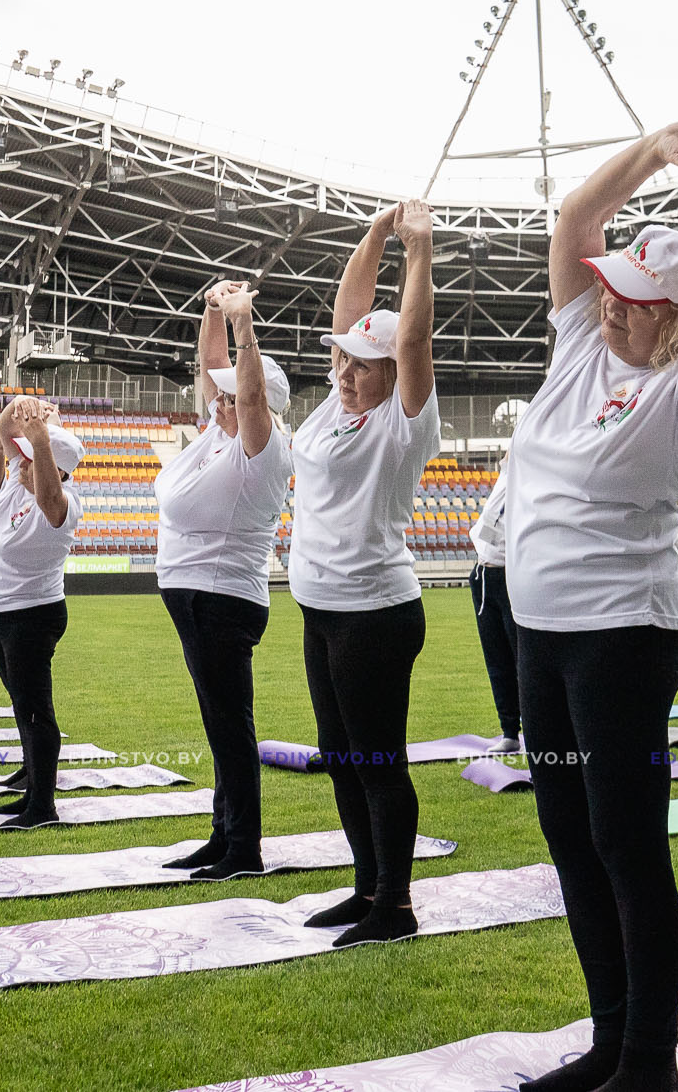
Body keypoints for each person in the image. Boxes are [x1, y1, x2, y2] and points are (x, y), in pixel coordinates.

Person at [506, 120, 678, 1092]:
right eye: (611, 290)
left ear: (676, 320)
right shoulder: (583, 337)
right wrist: (654, 148)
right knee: (570, 841)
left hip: (621, 638)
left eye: (634, 301)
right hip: (540, 633)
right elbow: (578, 214)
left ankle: (648, 1062)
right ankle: (608, 1041)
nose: (611, 307)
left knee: (624, 844)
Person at [288, 198, 439, 946]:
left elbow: (411, 339)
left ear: (393, 374)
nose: (347, 374)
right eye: (342, 361)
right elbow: (353, 307)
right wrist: (376, 231)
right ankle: (365, 885)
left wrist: (418, 251)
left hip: (374, 611)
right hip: (321, 607)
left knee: (378, 760)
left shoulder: (402, 420)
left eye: (364, 366)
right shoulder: (334, 407)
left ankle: (396, 906)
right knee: (341, 755)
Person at [156, 280, 294, 880]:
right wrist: (210, 310)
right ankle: (224, 835)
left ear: (259, 402)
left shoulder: (262, 447)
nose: (220, 402)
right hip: (201, 598)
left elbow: (249, 390)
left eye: (235, 399)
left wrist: (244, 325)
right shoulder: (221, 432)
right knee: (220, 726)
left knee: (230, 728)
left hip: (223, 600)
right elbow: (214, 371)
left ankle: (244, 848)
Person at [0, 391, 86, 830]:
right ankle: (31, 791)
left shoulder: (60, 503)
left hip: (31, 615)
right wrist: (19, 404)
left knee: (36, 709)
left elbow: (49, 501)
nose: (20, 464)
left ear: (55, 469)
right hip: (2, 611)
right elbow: (5, 431)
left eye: (31, 458)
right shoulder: (13, 491)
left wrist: (42, 441)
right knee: (23, 706)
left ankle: (42, 806)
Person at [468, 452, 522, 754]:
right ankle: (509, 730)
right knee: (497, 661)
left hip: (512, 575)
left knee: (523, 662)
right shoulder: (505, 476)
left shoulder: (530, 479)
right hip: (484, 574)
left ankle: (541, 732)